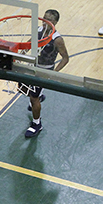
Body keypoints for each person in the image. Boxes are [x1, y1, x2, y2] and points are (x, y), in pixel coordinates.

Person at [22, 9, 69, 138]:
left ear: (55, 23)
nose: (45, 21)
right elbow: (28, 44)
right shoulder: (38, 31)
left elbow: (65, 58)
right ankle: (40, 95)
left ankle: (37, 124)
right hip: (33, 65)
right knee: (22, 87)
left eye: (49, 20)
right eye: (44, 18)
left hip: (45, 70)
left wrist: (54, 73)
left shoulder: (57, 39)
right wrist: (20, 55)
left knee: (33, 98)